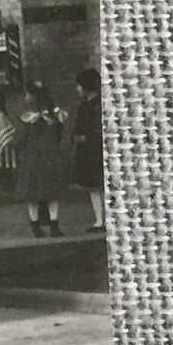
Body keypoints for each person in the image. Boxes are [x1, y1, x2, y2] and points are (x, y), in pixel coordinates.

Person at [13, 81, 72, 238]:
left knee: (32, 195)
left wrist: (15, 144)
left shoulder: (29, 116)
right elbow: (60, 134)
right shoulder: (55, 114)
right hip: (51, 156)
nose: (25, 97)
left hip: (33, 157)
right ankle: (54, 225)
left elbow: (21, 138)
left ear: (31, 96)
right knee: (52, 192)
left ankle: (35, 226)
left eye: (26, 94)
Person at [72, 67, 105, 235]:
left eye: (79, 86)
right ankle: (100, 219)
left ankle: (100, 220)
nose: (77, 89)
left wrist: (85, 138)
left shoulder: (91, 106)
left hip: (92, 149)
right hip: (90, 150)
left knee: (95, 186)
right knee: (95, 185)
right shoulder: (91, 105)